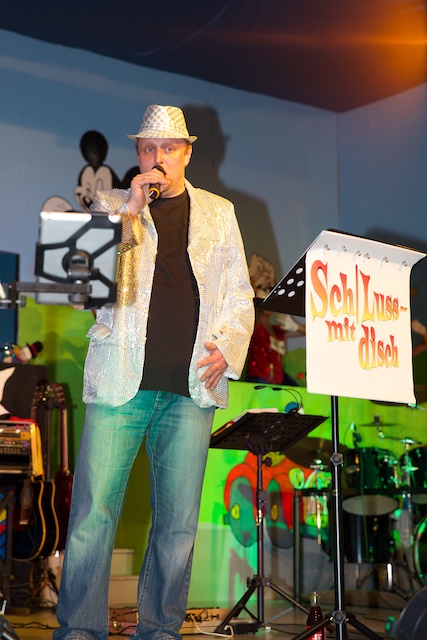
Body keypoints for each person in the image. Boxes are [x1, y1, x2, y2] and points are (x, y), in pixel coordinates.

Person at [53, 105, 255, 640]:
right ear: (138, 155)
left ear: (187, 153)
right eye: (148, 148)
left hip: (191, 388)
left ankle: (160, 631)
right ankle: (79, 632)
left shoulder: (220, 212)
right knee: (93, 515)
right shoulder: (110, 205)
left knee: (178, 527)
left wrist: (228, 349)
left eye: (168, 148)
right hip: (120, 383)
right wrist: (128, 213)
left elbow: (240, 294)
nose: (158, 157)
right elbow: (81, 288)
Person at [245, 291, 305, 386]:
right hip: (259, 379)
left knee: (296, 390)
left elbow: (309, 331)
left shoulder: (278, 332)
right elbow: (258, 296)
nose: (268, 304)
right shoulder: (257, 327)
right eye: (265, 300)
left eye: (270, 301)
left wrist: (296, 326)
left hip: (277, 380)